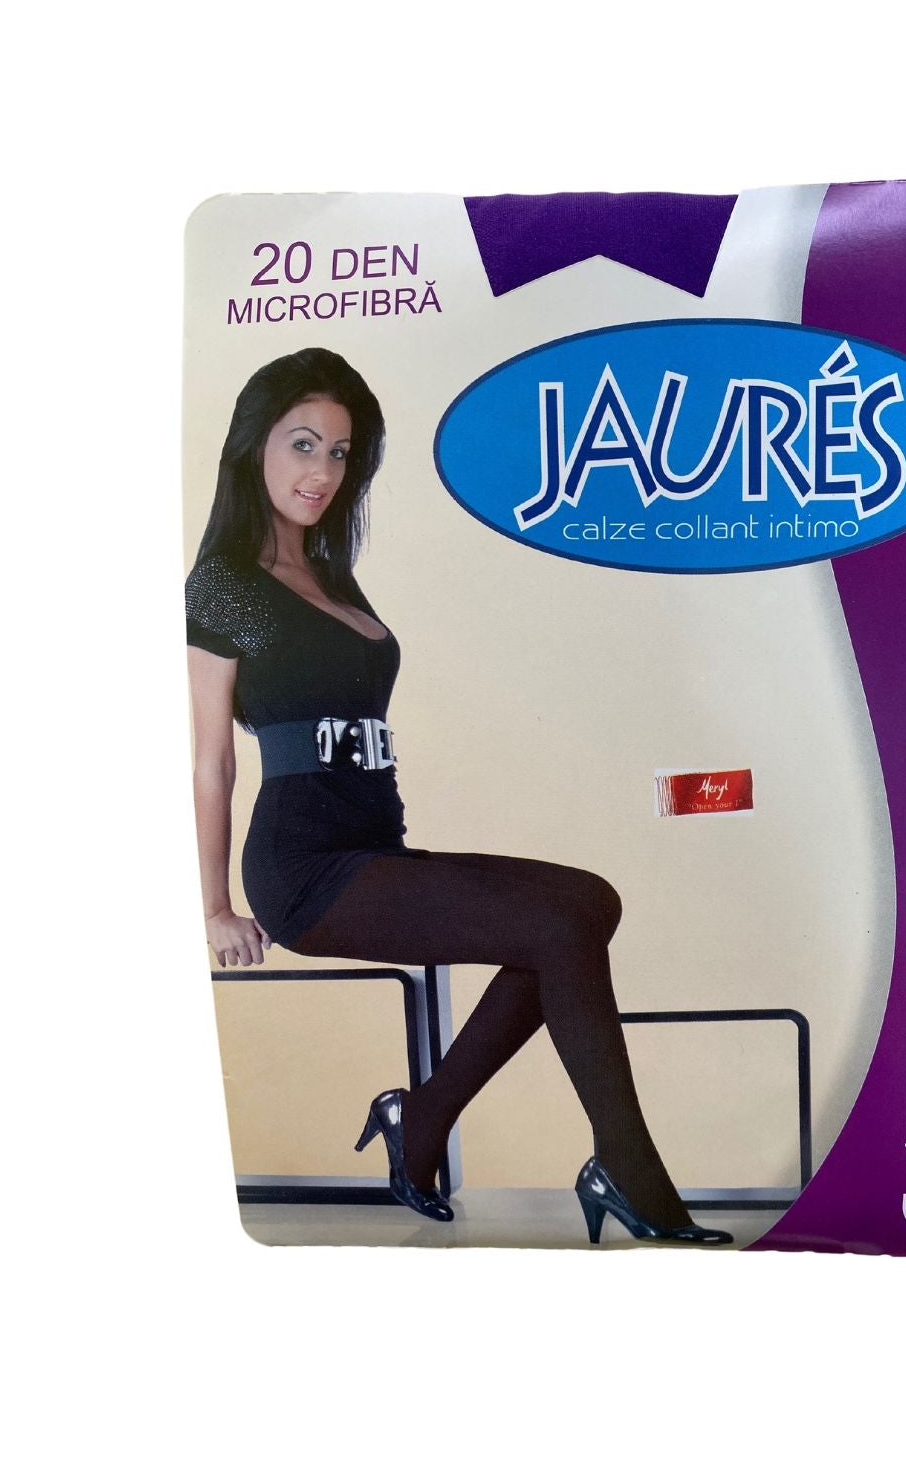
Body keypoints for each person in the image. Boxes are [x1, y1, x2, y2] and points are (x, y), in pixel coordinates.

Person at [185, 347, 730, 1245]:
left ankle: (425, 1116)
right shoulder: (225, 585)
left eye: (341, 452)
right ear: (255, 445)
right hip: (305, 870)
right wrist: (215, 908)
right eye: (303, 444)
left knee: (587, 905)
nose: (323, 471)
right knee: (556, 925)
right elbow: (212, 760)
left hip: (376, 846)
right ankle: (630, 1171)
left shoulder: (331, 574)